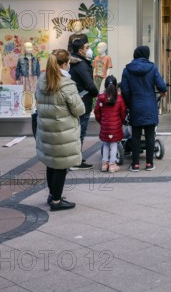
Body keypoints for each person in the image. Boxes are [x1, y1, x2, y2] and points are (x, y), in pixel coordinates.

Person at [35, 49, 84, 211]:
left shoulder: (43, 79)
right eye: (68, 63)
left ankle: (52, 195)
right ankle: (56, 201)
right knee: (60, 167)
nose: (69, 65)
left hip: (47, 130)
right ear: (64, 64)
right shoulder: (66, 84)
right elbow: (79, 110)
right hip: (62, 132)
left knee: (51, 164)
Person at [121, 46, 168, 172]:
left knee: (135, 136)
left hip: (135, 105)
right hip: (150, 105)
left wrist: (129, 103)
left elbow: (125, 90)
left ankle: (135, 164)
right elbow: (161, 85)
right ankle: (149, 164)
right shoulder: (152, 68)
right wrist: (163, 91)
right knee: (150, 135)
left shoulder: (127, 70)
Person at [69, 39, 99, 170]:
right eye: (87, 47)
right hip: (82, 102)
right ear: (80, 50)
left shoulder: (77, 62)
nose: (89, 49)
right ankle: (76, 162)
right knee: (80, 131)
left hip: (79, 100)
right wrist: (96, 93)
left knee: (78, 130)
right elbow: (89, 84)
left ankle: (76, 157)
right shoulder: (81, 65)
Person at [94, 75, 126, 173]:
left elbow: (97, 112)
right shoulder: (119, 99)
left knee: (106, 144)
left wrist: (101, 121)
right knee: (114, 145)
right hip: (115, 126)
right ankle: (112, 164)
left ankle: (104, 164)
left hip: (105, 125)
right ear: (116, 86)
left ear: (105, 85)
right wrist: (120, 122)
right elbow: (123, 113)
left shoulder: (100, 98)